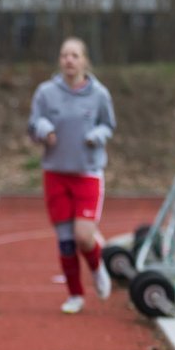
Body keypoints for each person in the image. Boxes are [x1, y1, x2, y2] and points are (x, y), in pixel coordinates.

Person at [27, 37, 116, 314]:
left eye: (75, 55)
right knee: (65, 240)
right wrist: (44, 130)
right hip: (56, 172)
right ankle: (75, 294)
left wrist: (97, 136)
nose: (69, 60)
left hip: (87, 172)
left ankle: (97, 267)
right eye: (65, 55)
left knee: (84, 236)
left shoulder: (99, 94)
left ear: (84, 61)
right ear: (59, 60)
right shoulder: (45, 92)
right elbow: (34, 123)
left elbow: (108, 125)